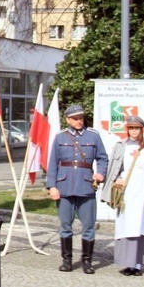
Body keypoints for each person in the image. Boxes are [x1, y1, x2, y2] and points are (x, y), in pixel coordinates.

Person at [101, 116, 144, 276]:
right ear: (127, 130)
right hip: (126, 193)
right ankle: (128, 263)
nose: (134, 131)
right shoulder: (120, 147)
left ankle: (138, 264)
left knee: (142, 226)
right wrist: (116, 181)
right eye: (131, 128)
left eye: (137, 128)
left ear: (142, 130)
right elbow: (114, 169)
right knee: (127, 227)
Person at [46, 104, 108, 274]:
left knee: (88, 226)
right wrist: (52, 186)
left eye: (81, 118)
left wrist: (101, 173)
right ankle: (67, 260)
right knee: (65, 225)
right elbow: (52, 164)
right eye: (75, 118)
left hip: (86, 186)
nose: (79, 121)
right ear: (67, 120)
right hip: (64, 186)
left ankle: (87, 261)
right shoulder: (60, 137)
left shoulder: (93, 136)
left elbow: (103, 158)